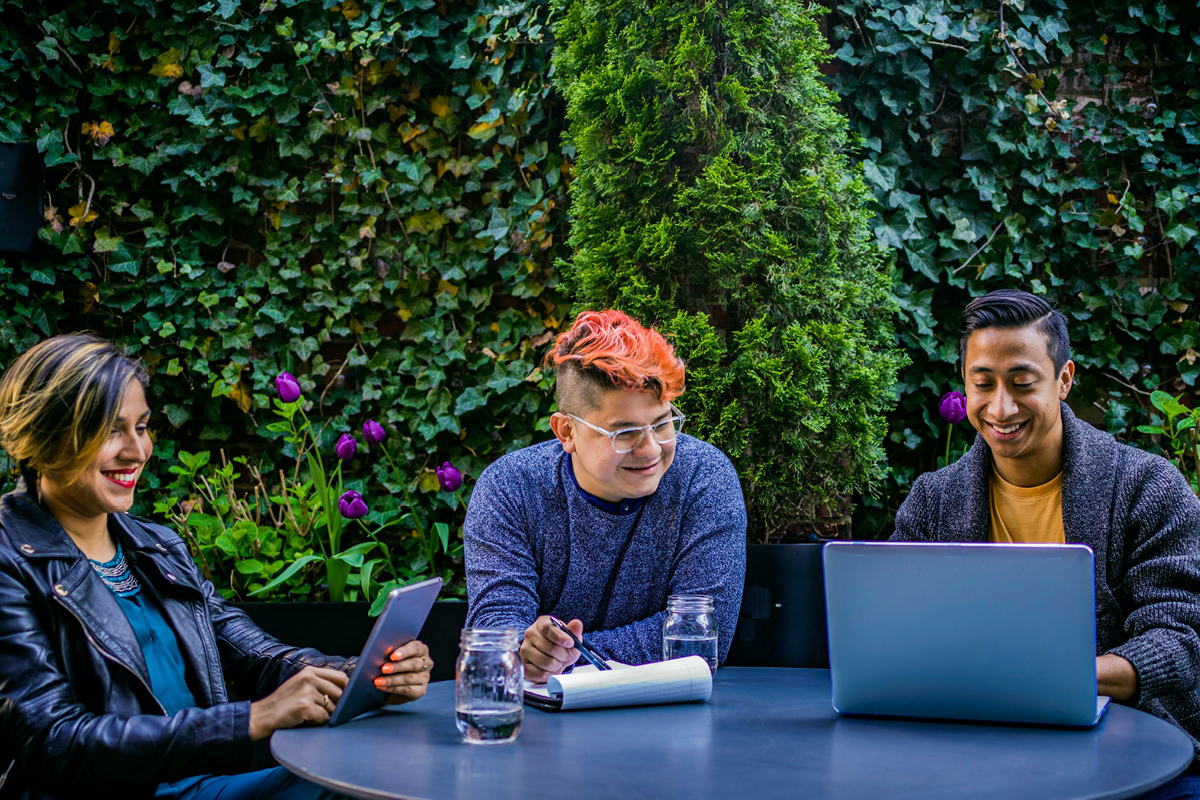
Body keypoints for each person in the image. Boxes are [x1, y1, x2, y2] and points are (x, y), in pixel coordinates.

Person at [0, 334, 433, 800]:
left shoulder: (157, 547)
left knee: (385, 766)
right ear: (42, 435)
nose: (136, 451)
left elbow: (252, 655)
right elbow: (53, 742)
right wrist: (250, 720)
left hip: (205, 784)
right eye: (110, 430)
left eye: (141, 427)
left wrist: (362, 676)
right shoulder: (10, 560)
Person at [892, 290, 1200, 796]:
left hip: (1138, 754)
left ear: (1063, 379)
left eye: (1022, 383)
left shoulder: (1147, 487)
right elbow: (898, 632)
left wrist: (1049, 677)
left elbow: (1180, 640)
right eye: (982, 384)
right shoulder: (934, 500)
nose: (1001, 407)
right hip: (974, 749)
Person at [464, 309, 747, 682]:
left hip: (672, 724)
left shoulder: (703, 478)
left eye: (663, 424)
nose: (650, 450)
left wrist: (562, 662)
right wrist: (526, 649)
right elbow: (498, 634)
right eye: (624, 433)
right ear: (566, 432)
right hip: (546, 727)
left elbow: (700, 638)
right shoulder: (510, 490)